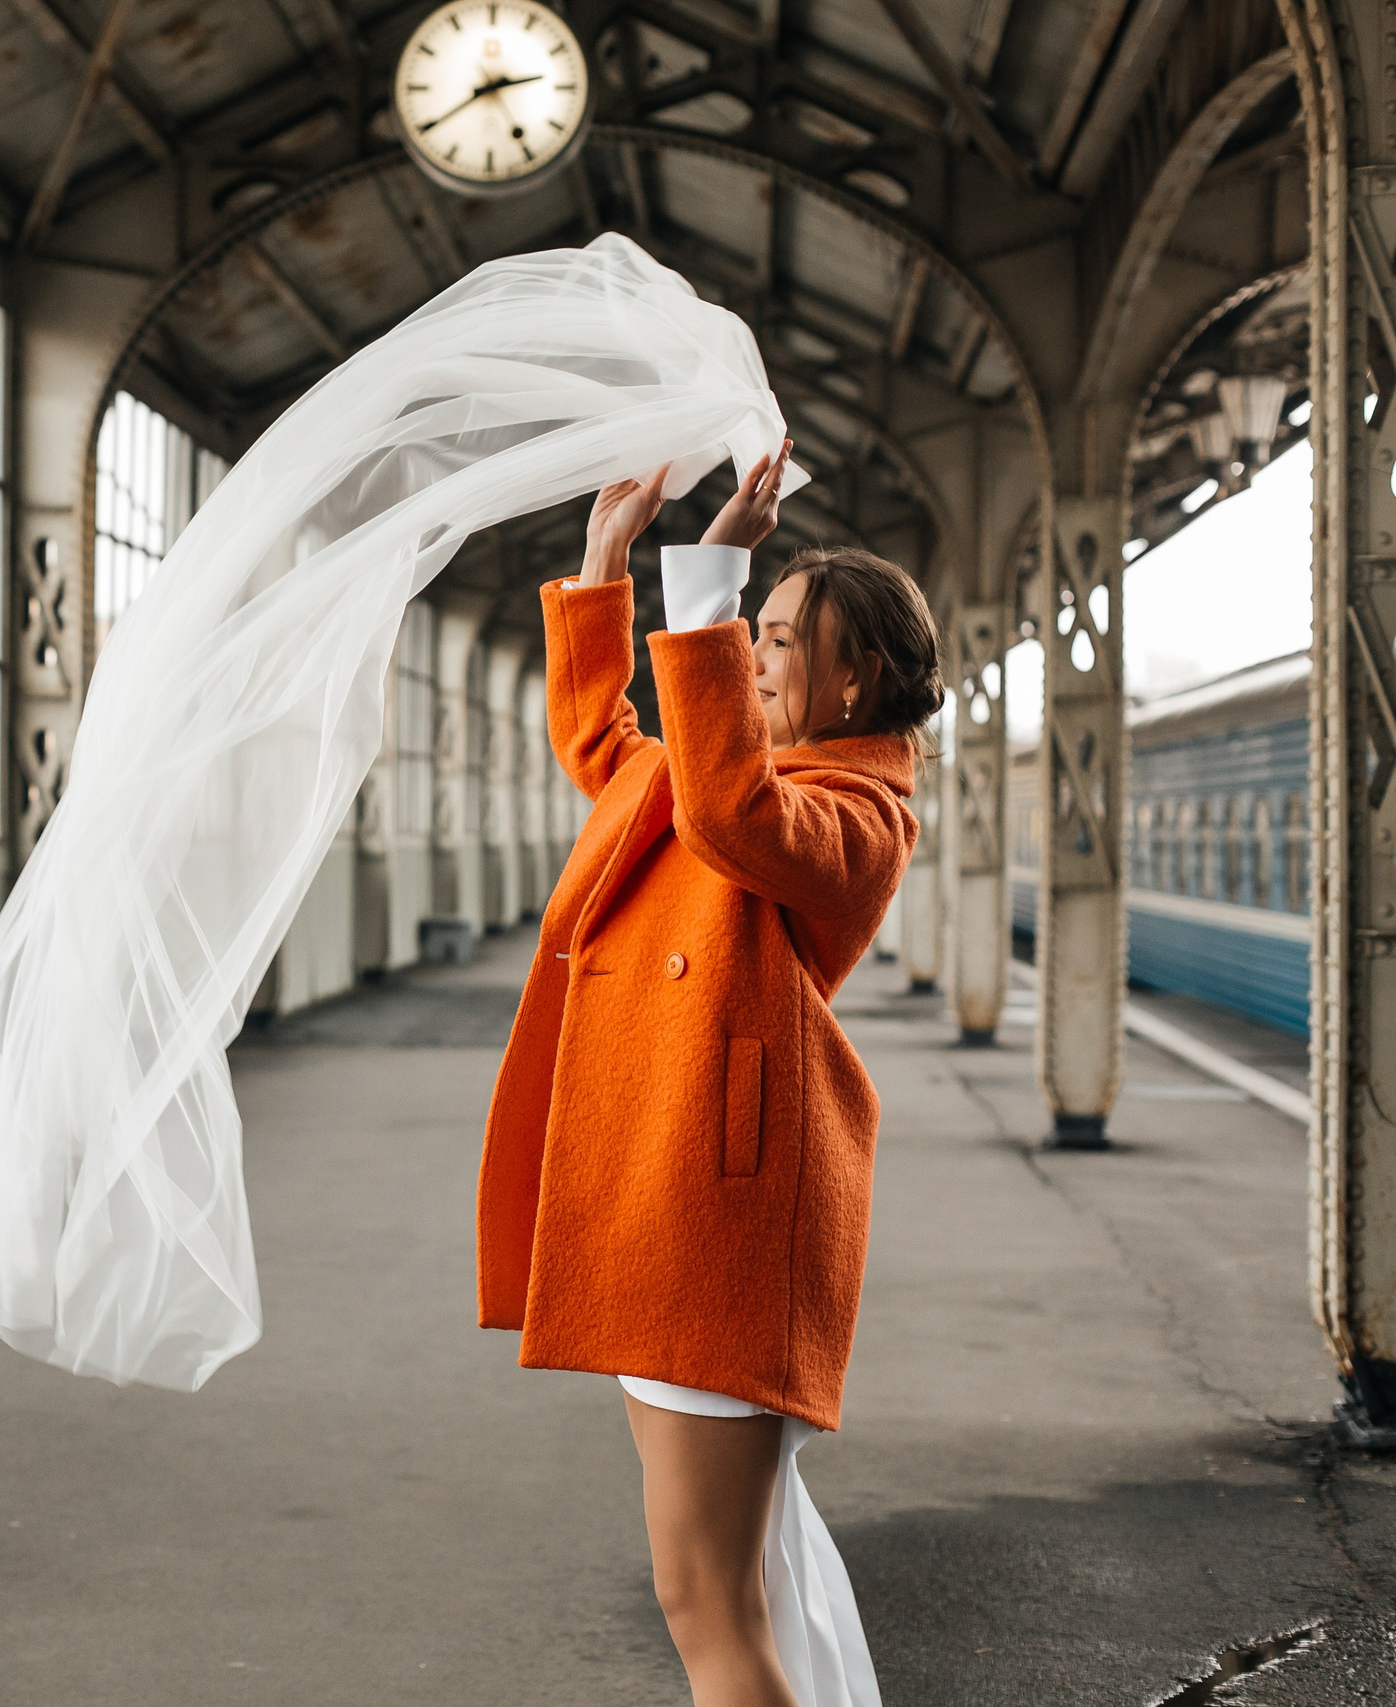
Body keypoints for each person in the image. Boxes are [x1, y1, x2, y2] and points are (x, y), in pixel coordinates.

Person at [477, 442, 943, 1707]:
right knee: (750, 1585)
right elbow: (600, 743)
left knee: (706, 1598)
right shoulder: (733, 773)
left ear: (862, 681)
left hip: (713, 1214)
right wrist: (605, 560)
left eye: (782, 637)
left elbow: (729, 816)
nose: (750, 647)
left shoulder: (854, 815)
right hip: (659, 1189)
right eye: (755, 625)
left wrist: (715, 576)